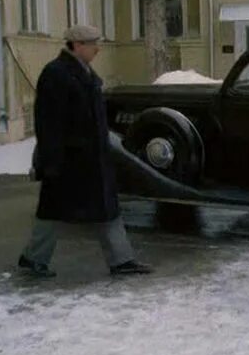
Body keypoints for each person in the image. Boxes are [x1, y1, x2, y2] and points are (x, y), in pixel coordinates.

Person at [18, 25, 152, 278]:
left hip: (92, 157)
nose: (97, 49)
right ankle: (33, 258)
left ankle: (122, 260)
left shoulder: (84, 72)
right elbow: (48, 123)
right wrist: (51, 162)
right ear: (77, 45)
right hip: (68, 158)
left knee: (106, 208)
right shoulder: (56, 74)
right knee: (52, 209)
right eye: (92, 44)